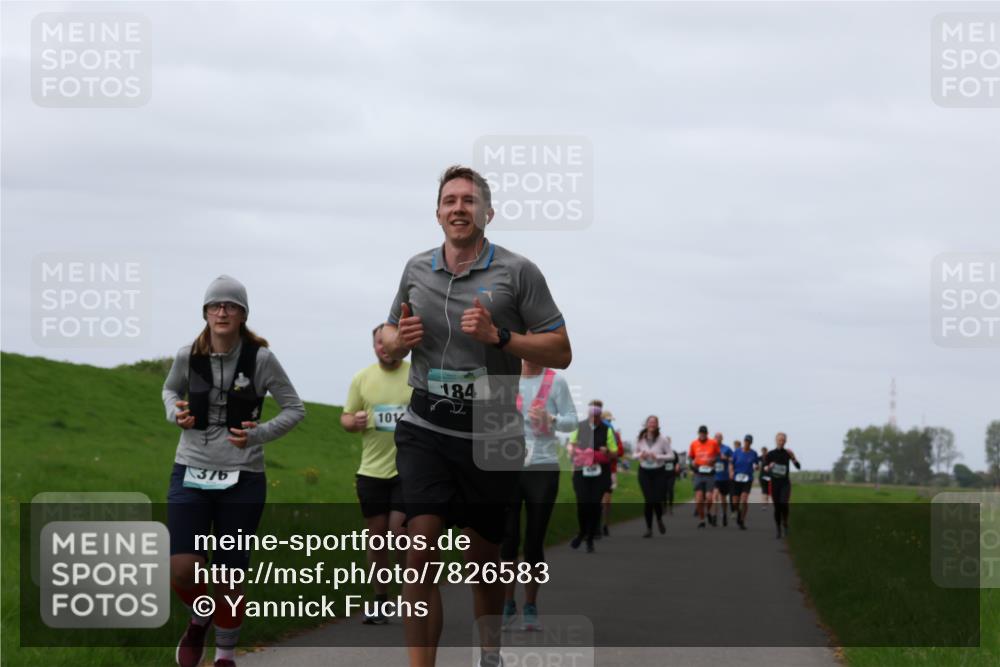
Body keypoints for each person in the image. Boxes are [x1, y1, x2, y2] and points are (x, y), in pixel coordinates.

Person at [381, 165, 571, 667]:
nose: (458, 208)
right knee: (419, 548)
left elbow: (561, 349)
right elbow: (384, 339)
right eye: (450, 200)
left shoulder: (518, 271)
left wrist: (500, 337)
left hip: (492, 425)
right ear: (438, 212)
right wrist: (397, 341)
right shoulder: (415, 269)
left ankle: (490, 653)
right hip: (426, 422)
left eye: (469, 200)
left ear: (488, 212)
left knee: (484, 562)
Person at [163, 275, 306, 667]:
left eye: (231, 306)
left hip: (243, 478)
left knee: (228, 576)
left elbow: (295, 409)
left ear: (243, 315)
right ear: (205, 313)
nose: (222, 311)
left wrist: (258, 434)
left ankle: (225, 654)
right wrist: (174, 413)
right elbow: (170, 391)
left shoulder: (260, 359)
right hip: (190, 470)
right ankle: (200, 616)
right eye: (215, 305)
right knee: (182, 568)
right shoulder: (187, 355)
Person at [341, 323, 412, 624]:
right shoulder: (362, 378)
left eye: (389, 342)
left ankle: (412, 597)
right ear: (374, 347)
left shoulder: (416, 373)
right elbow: (345, 417)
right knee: (377, 538)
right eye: (379, 344)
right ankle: (380, 599)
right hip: (371, 470)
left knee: (400, 535)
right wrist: (353, 421)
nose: (384, 348)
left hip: (408, 469)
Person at [500, 354, 577, 631]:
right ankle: (507, 604)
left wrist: (552, 418)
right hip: (508, 467)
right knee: (507, 538)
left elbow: (572, 422)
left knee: (534, 540)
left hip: (542, 468)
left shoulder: (556, 382)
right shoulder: (506, 379)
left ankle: (530, 606)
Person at [568, 402, 619, 552]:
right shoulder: (579, 426)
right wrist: (572, 450)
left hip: (600, 473)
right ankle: (582, 531)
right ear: (588, 415)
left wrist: (607, 452)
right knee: (582, 503)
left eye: (597, 416)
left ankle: (589, 538)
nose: (594, 419)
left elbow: (615, 453)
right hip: (581, 471)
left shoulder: (607, 429)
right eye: (592, 416)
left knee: (595, 504)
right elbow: (571, 444)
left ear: (600, 416)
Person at [634, 415, 673, 537]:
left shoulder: (663, 440)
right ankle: (649, 529)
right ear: (646, 424)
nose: (652, 424)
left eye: (654, 422)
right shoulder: (640, 438)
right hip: (644, 471)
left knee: (656, 499)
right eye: (650, 422)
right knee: (648, 500)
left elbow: (671, 456)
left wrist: (659, 457)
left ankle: (659, 519)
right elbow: (634, 455)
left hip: (658, 472)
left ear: (657, 425)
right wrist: (641, 454)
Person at [764, 432, 801, 538]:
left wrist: (793, 457)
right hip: (775, 484)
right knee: (777, 507)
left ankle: (785, 523)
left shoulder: (788, 453)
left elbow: (798, 467)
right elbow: (765, 468)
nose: (781, 442)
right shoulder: (770, 454)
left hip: (785, 483)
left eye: (783, 440)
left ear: (785, 441)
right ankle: (778, 528)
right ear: (776, 440)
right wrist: (769, 466)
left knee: (784, 504)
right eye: (779, 440)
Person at [688, 426, 721, 529]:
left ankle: (708, 512)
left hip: (710, 473)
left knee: (709, 498)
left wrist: (713, 460)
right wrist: (692, 465)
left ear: (707, 433)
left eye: (704, 433)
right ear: (698, 433)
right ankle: (702, 520)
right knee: (698, 499)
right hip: (699, 473)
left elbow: (718, 455)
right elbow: (690, 457)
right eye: (701, 433)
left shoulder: (713, 443)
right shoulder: (694, 443)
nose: (702, 434)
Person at [599, 408, 623, 537]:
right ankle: (595, 524)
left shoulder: (616, 435)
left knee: (606, 499)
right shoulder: (593, 433)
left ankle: (605, 524)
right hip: (595, 469)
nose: (608, 422)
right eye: (606, 420)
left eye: (609, 420)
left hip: (610, 468)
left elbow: (620, 451)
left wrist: (609, 452)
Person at [731, 435, 759, 530]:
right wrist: (731, 472)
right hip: (736, 479)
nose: (747, 443)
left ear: (751, 443)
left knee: (744, 499)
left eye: (749, 442)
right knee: (735, 502)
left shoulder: (753, 453)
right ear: (744, 441)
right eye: (746, 441)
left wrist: (756, 467)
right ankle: (738, 514)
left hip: (747, 479)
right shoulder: (737, 452)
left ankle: (742, 520)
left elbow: (757, 464)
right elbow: (731, 463)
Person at [711, 431, 732, 527]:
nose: (717, 439)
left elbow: (733, 459)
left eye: (719, 437)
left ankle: (724, 514)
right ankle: (714, 516)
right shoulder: (711, 449)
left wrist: (726, 458)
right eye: (716, 437)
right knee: (715, 496)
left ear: (722, 438)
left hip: (724, 477)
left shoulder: (727, 449)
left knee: (723, 498)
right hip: (714, 477)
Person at [662, 441, 680, 514]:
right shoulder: (661, 453)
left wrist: (677, 466)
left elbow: (677, 463)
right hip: (663, 475)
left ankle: (670, 507)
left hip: (672, 474)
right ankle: (664, 507)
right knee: (663, 491)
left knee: (670, 489)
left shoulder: (674, 453)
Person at [759, 446, 771, 511]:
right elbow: (756, 464)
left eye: (765, 451)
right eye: (763, 451)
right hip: (762, 476)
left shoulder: (770, 458)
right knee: (764, 490)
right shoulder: (760, 458)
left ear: (767, 451)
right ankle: (764, 505)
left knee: (768, 491)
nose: (764, 452)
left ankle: (766, 502)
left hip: (769, 476)